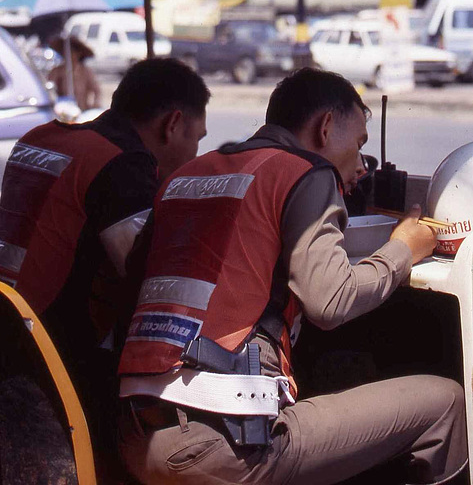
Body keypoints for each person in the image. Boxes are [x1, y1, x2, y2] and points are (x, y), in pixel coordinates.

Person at [118, 68, 466, 485]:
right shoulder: (305, 171)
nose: (359, 168)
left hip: (135, 437)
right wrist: (403, 249)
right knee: (445, 403)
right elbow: (330, 301)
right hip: (222, 449)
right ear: (324, 128)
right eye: (358, 146)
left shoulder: (183, 177)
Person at [0, 58, 209, 473]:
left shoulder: (42, 137)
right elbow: (153, 282)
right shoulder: (121, 165)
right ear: (172, 124)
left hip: (12, 329)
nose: (197, 152)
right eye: (197, 138)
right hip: (51, 360)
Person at [48, 34, 102, 111]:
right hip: (63, 111)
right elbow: (50, 89)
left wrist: (95, 103)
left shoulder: (86, 71)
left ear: (79, 53)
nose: (68, 54)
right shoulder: (56, 71)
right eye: (65, 51)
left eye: (72, 51)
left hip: (82, 110)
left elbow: (96, 90)